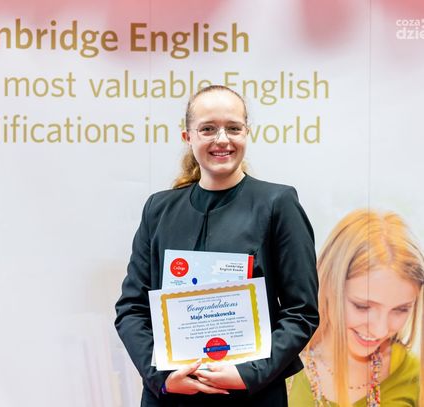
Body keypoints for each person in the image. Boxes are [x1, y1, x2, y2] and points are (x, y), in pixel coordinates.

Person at [115, 85, 319, 406]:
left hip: (250, 396)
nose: (222, 139)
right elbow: (131, 309)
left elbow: (301, 312)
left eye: (233, 128)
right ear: (188, 137)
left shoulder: (277, 204)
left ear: (247, 133)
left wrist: (248, 373)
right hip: (171, 396)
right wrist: (163, 378)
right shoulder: (158, 210)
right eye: (208, 129)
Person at [287, 209, 424, 407]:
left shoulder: (413, 374)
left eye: (400, 309)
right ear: (327, 284)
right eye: (362, 307)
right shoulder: (275, 365)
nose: (380, 330)